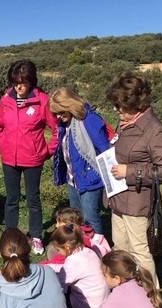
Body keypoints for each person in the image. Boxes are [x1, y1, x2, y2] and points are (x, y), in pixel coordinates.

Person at [105, 71, 162, 287]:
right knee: (120, 247)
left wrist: (130, 172)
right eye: (115, 105)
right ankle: (128, 294)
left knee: (140, 252)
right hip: (118, 196)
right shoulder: (125, 123)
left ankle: (152, 298)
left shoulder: (154, 131)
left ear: (137, 104)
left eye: (121, 106)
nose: (116, 110)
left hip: (137, 202)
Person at [0, 60, 58, 255]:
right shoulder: (6, 100)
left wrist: (47, 151)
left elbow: (57, 129)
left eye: (22, 82)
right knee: (11, 199)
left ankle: (36, 236)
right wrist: (2, 143)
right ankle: (10, 237)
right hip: (9, 159)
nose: (18, 87)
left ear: (31, 81)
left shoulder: (43, 101)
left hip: (33, 159)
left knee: (33, 199)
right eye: (15, 83)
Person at [48, 87, 109, 236]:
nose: (58, 116)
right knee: (75, 217)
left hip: (90, 177)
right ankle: (79, 248)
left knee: (90, 218)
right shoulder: (64, 124)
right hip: (73, 178)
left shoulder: (89, 120)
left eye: (61, 112)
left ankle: (98, 250)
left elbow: (104, 149)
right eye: (55, 113)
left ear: (71, 106)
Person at [45, 224, 109, 308]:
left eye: (58, 250)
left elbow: (57, 281)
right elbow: (67, 270)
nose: (58, 253)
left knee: (55, 297)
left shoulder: (73, 261)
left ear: (67, 247)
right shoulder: (87, 251)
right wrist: (50, 266)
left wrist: (44, 272)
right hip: (101, 301)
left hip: (86, 307)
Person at [41, 207, 111, 263]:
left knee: (52, 251)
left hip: (79, 265)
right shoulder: (79, 232)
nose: (56, 225)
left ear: (68, 224)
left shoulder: (77, 237)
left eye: (59, 222)